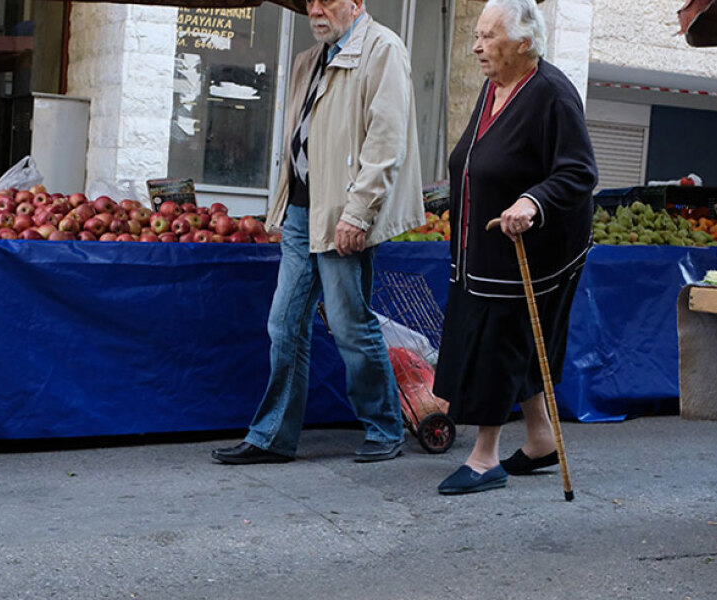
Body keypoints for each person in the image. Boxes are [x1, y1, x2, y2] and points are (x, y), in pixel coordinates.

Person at [212, 0, 424, 465]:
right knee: (283, 323)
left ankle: (384, 427)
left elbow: (386, 142)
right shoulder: (311, 59)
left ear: (356, 4)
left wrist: (358, 213)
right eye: (311, 1)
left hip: (342, 213)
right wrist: (282, 207)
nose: (316, 9)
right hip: (301, 212)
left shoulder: (383, 49)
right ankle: (272, 436)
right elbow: (298, 142)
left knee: (350, 325)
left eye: (327, 0)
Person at [432, 0, 597, 495]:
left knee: (500, 346)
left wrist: (531, 200)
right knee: (519, 346)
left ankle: (484, 458)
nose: (477, 45)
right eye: (477, 34)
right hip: (484, 250)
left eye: (489, 36)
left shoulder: (552, 94)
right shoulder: (494, 87)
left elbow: (578, 172)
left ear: (524, 43)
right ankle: (541, 437)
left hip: (535, 250)